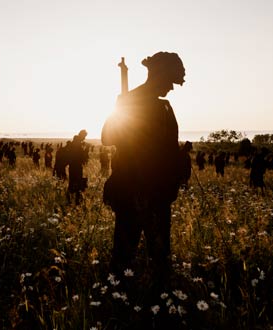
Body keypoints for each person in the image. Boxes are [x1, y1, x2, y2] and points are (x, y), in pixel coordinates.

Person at [102, 51, 185, 282]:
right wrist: (122, 114)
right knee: (123, 256)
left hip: (159, 194)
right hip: (132, 192)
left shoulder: (164, 107)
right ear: (158, 75)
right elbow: (107, 137)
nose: (172, 88)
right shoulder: (129, 101)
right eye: (170, 81)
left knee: (160, 256)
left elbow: (168, 149)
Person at [67, 130, 89, 204]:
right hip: (76, 166)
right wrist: (85, 150)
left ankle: (72, 199)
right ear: (81, 135)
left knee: (74, 182)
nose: (84, 138)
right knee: (77, 183)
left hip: (74, 166)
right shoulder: (77, 143)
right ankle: (76, 200)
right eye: (84, 136)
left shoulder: (76, 142)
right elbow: (79, 155)